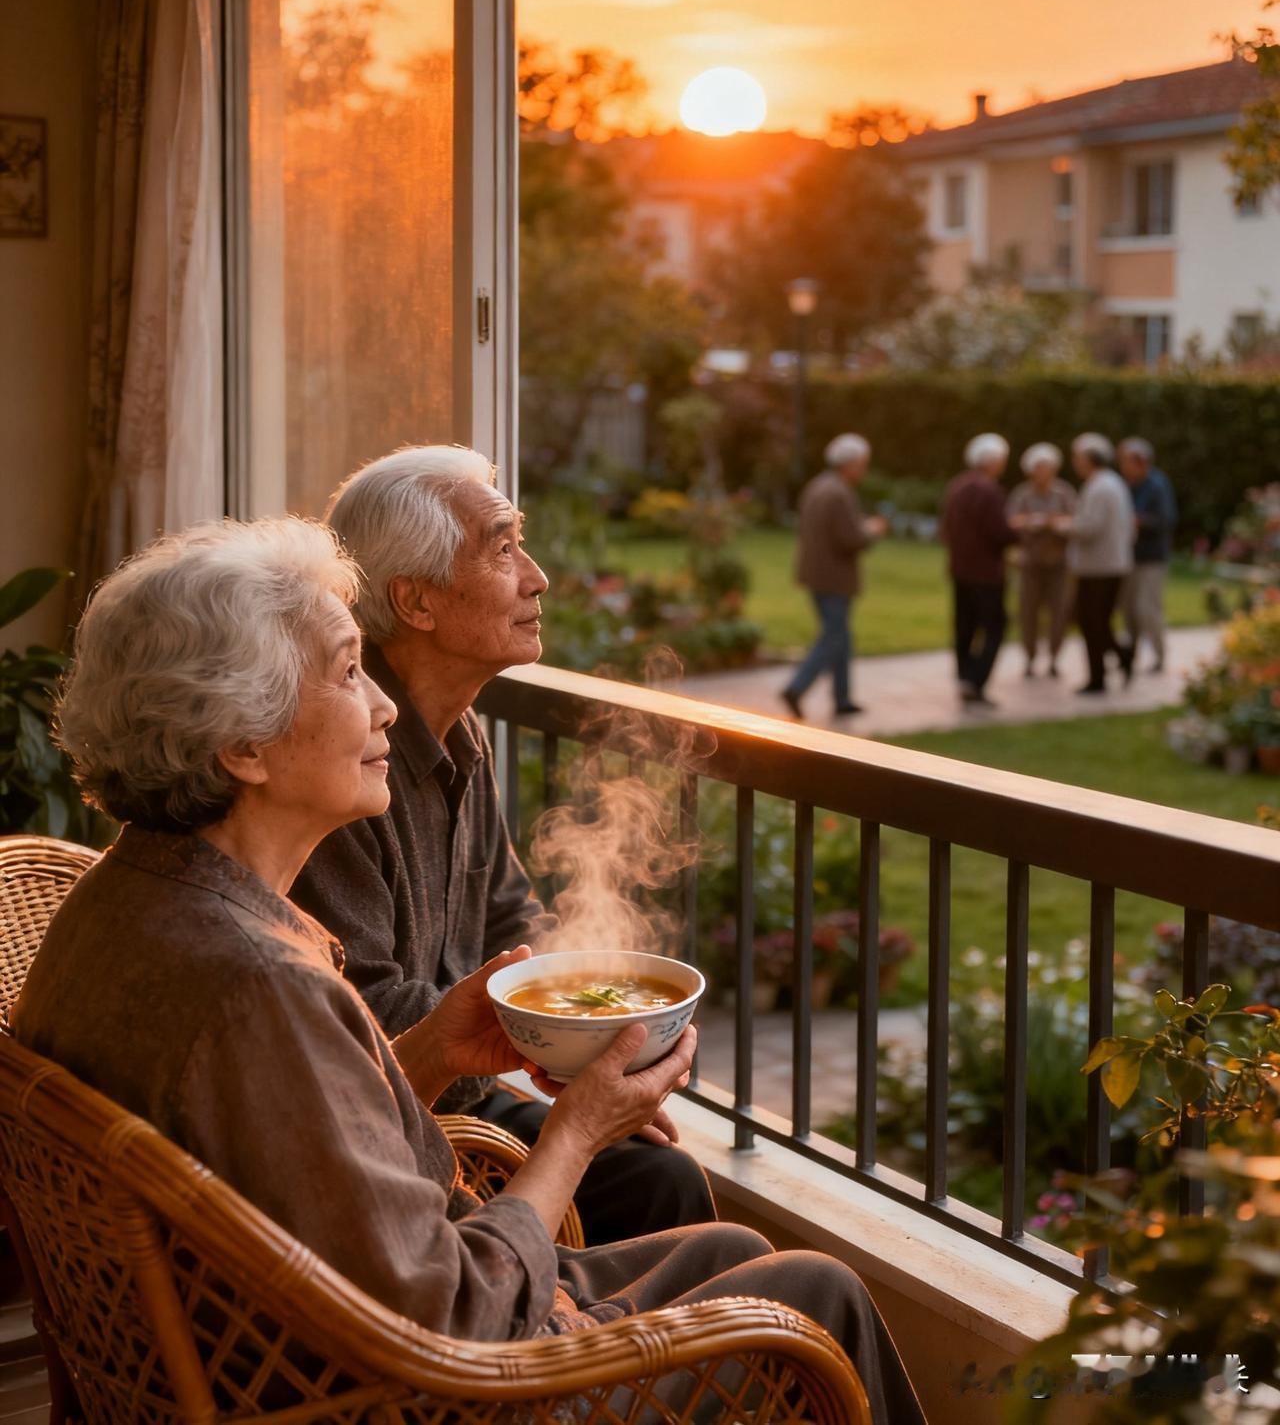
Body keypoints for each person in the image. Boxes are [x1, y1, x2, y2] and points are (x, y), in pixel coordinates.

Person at [14, 518, 925, 1425]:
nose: (382, 706)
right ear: (242, 747)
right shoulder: (257, 982)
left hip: (269, 1347)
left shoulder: (122, 900)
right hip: (421, 1389)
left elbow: (294, 1138)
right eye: (346, 672)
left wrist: (430, 1053)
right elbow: (457, 1320)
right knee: (817, 1292)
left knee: (722, 1239)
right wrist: (574, 1130)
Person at [290, 446, 716, 1247]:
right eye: (502, 547)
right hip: (408, 1127)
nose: (537, 576)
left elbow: (508, 916)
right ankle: (591, 1353)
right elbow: (364, 1010)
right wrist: (541, 1043)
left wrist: (596, 1030)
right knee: (662, 1190)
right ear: (415, 602)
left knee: (663, 1175)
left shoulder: (459, 728)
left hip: (463, 1089)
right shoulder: (342, 761)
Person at [781, 432, 887, 721]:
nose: (864, 469)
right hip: (834, 577)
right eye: (862, 463)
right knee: (834, 636)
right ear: (850, 463)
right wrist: (873, 530)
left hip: (816, 574)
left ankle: (842, 698)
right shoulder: (839, 492)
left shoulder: (818, 486)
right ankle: (797, 688)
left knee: (842, 636)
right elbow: (851, 538)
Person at [940, 432, 1018, 707]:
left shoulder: (957, 487)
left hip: (960, 569)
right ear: (994, 461)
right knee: (995, 626)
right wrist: (1018, 528)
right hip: (986, 573)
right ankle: (976, 681)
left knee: (965, 625)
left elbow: (945, 529)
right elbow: (1001, 533)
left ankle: (964, 677)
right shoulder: (989, 490)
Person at [1062, 433, 1136, 695]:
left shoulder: (1101, 486)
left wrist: (1061, 525)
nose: (1075, 463)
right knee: (1095, 623)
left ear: (1090, 459)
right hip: (1107, 565)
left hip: (1100, 567)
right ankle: (1108, 667)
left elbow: (1090, 527)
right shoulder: (1109, 484)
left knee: (1092, 622)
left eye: (1078, 458)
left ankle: (1104, 672)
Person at [1006, 443, 1076, 678]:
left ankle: (1055, 658)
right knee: (1028, 612)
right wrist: (1031, 521)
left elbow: (1076, 521)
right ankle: (1029, 657)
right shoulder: (1022, 494)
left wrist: (1055, 523)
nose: (1043, 473)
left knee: (1058, 612)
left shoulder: (1064, 493)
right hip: (1030, 563)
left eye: (1048, 468)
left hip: (1058, 562)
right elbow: (1011, 522)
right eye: (1039, 468)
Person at [1118, 437, 1177, 673]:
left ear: (1140, 462)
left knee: (1148, 608)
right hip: (1129, 556)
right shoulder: (1127, 485)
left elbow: (1166, 520)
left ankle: (1159, 656)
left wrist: (1138, 520)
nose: (1123, 466)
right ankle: (1129, 657)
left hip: (1152, 557)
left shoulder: (1157, 485)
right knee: (1128, 608)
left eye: (1126, 462)